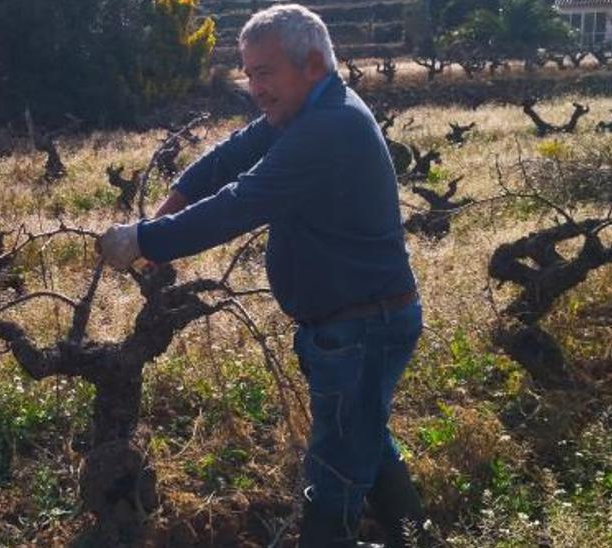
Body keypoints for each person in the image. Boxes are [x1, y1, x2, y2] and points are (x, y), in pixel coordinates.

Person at [96, 4, 425, 547]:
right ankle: (419, 539)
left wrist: (141, 240)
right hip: (355, 323)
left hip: (364, 328)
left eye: (264, 72)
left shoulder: (330, 126)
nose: (256, 88)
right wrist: (165, 210)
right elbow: (228, 158)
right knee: (365, 441)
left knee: (335, 474)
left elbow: (240, 202)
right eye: (248, 74)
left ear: (313, 65)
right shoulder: (301, 113)